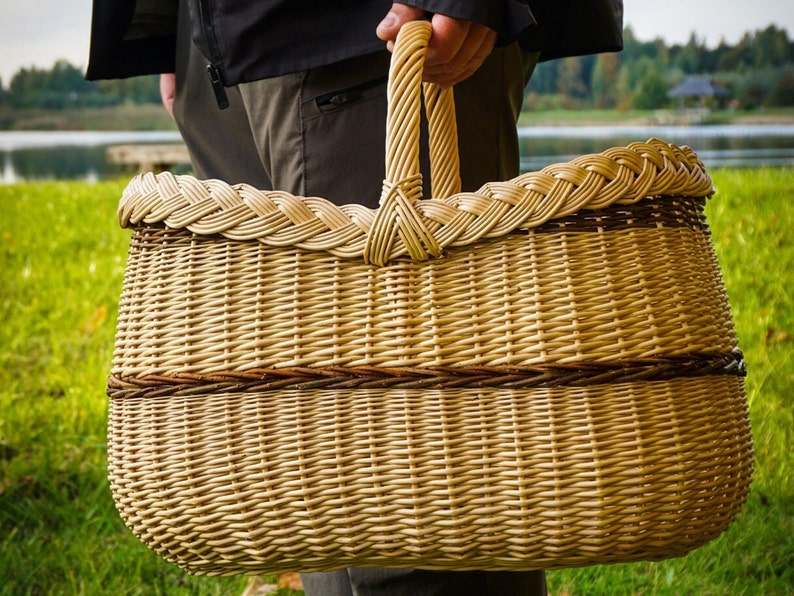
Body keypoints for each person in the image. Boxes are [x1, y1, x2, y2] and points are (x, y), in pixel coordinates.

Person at [87, 1, 622, 594]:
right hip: (226, 40)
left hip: (370, 31)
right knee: (319, 483)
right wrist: (175, 24)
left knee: (422, 504)